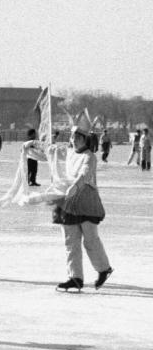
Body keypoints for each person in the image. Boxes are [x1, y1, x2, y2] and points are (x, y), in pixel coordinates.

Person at [51, 112, 113, 292]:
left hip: (86, 201)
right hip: (68, 201)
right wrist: (30, 146)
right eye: (73, 137)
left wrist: (76, 186)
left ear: (85, 140)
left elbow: (85, 173)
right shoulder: (67, 152)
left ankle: (104, 268)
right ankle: (75, 277)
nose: (75, 140)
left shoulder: (89, 156)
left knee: (90, 240)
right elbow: (48, 153)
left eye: (79, 137)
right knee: (70, 240)